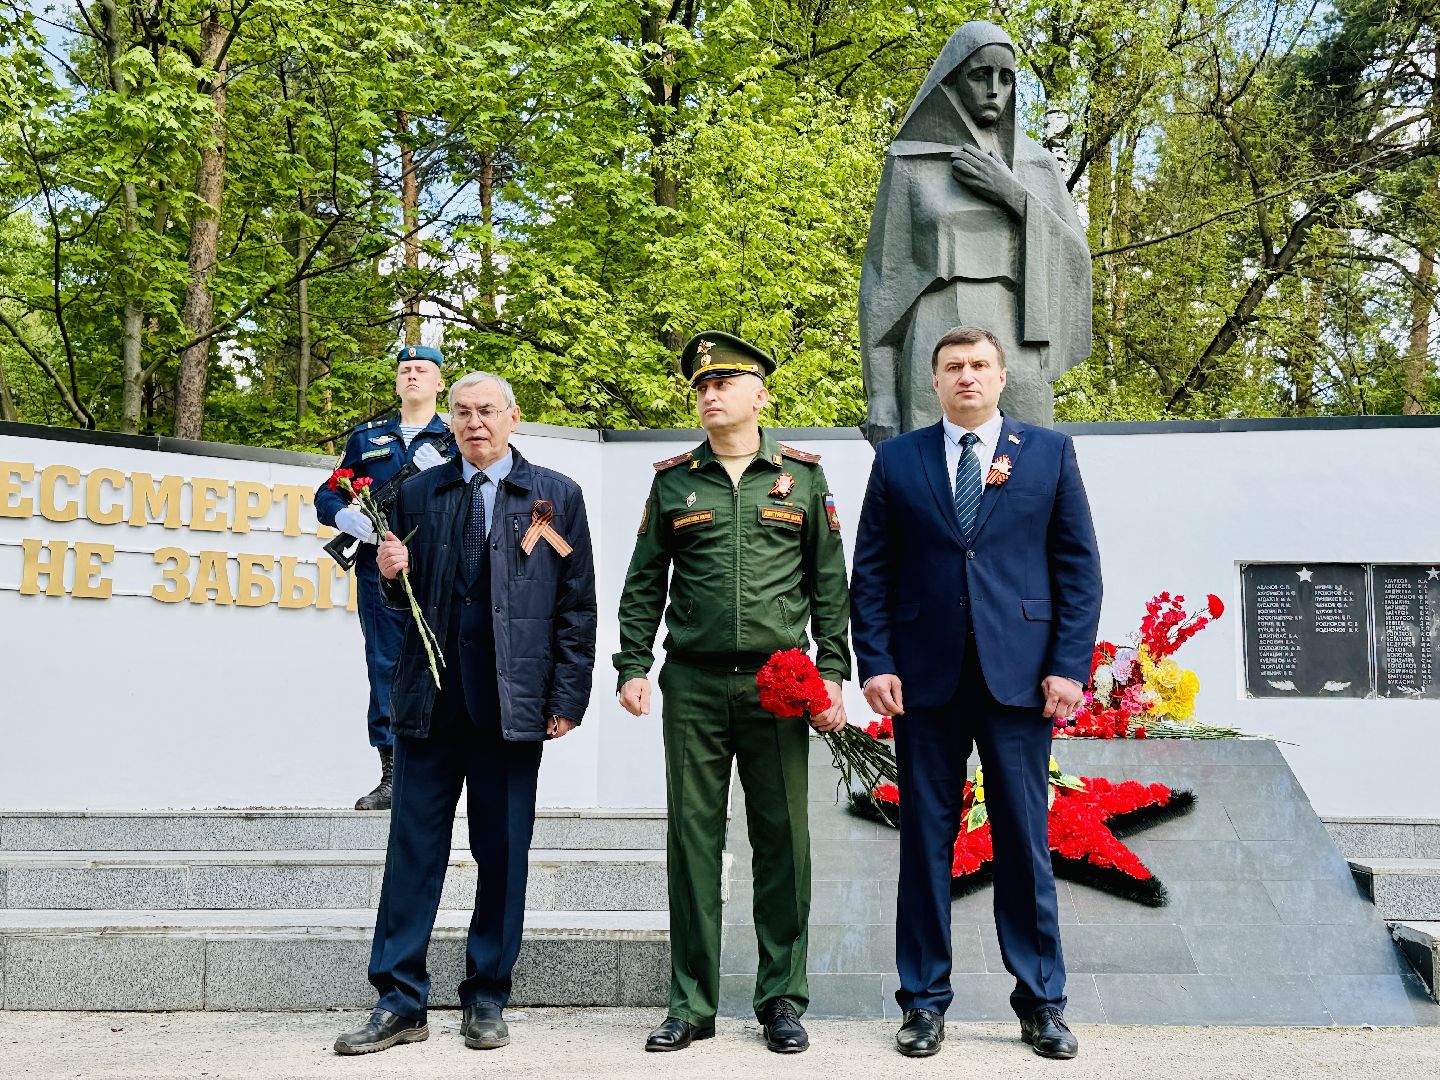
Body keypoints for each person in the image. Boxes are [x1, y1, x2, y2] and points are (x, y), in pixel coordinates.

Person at [850, 326, 1101, 1060]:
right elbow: (873, 570)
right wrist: (876, 661)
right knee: (925, 844)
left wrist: (1068, 665)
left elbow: (1078, 567)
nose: (967, 376)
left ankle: (1042, 1002)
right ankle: (923, 1002)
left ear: (1000, 377)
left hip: (1020, 679)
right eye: (953, 366)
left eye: (979, 365)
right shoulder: (899, 460)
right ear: (935, 381)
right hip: (921, 682)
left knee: (1023, 840)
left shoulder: (1048, 453)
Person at [332, 370, 596, 1056]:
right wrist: (391, 577)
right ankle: (400, 1001)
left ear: (513, 418)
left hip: (513, 705)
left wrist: (567, 696)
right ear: (449, 423)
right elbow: (398, 603)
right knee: (413, 851)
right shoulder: (420, 490)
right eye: (462, 413)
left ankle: (486, 996)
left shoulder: (554, 497)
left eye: (487, 411)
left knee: (503, 853)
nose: (474, 422)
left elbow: (576, 605)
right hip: (430, 703)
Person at [614, 331, 852, 1055]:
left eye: (724, 382)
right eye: (701, 386)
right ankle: (691, 1003)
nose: (710, 393)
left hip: (781, 684)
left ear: (760, 395)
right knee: (692, 841)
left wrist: (834, 674)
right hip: (691, 683)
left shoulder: (804, 479)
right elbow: (644, 580)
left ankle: (781, 999)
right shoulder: (674, 481)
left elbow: (829, 585)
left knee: (784, 843)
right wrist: (632, 665)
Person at [859, 20, 1091, 442]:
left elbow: (1075, 259)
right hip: (934, 330)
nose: (994, 89)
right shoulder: (910, 160)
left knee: (1029, 470)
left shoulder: (1035, 164)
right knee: (928, 477)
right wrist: (880, 395)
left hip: (1016, 335)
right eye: (980, 74)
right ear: (952, 79)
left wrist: (1015, 196)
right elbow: (881, 283)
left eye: (1006, 78)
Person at [314, 344, 454, 810]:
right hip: (380, 570)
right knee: (387, 664)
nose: (413, 375)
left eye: (423, 370)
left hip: (441, 566)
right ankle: (393, 772)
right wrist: (346, 520)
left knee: (448, 659)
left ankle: (442, 769)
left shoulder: (458, 435)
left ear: (439, 382)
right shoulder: (366, 439)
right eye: (405, 370)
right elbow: (328, 493)